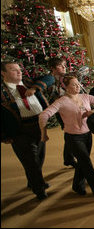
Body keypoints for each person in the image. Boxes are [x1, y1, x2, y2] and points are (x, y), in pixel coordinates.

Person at [39, 76, 94, 196]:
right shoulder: (61, 101)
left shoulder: (85, 97)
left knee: (83, 162)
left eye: (78, 84)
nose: (78, 86)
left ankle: (77, 185)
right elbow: (43, 115)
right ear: (66, 87)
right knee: (87, 163)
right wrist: (44, 133)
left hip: (87, 135)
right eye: (74, 85)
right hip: (73, 138)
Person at [1, 61, 49, 200]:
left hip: (39, 127)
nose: (18, 71)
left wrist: (34, 88)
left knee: (39, 158)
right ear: (3, 73)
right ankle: (39, 189)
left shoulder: (28, 82)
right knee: (31, 161)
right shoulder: (2, 91)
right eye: (13, 70)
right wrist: (4, 136)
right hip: (20, 131)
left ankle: (32, 181)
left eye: (19, 69)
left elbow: (49, 78)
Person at [29, 57, 77, 168]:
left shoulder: (63, 78)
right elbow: (41, 86)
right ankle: (69, 158)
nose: (64, 67)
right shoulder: (50, 78)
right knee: (71, 132)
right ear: (52, 68)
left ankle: (69, 158)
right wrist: (34, 89)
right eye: (61, 66)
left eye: (64, 65)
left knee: (70, 132)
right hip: (59, 110)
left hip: (66, 108)